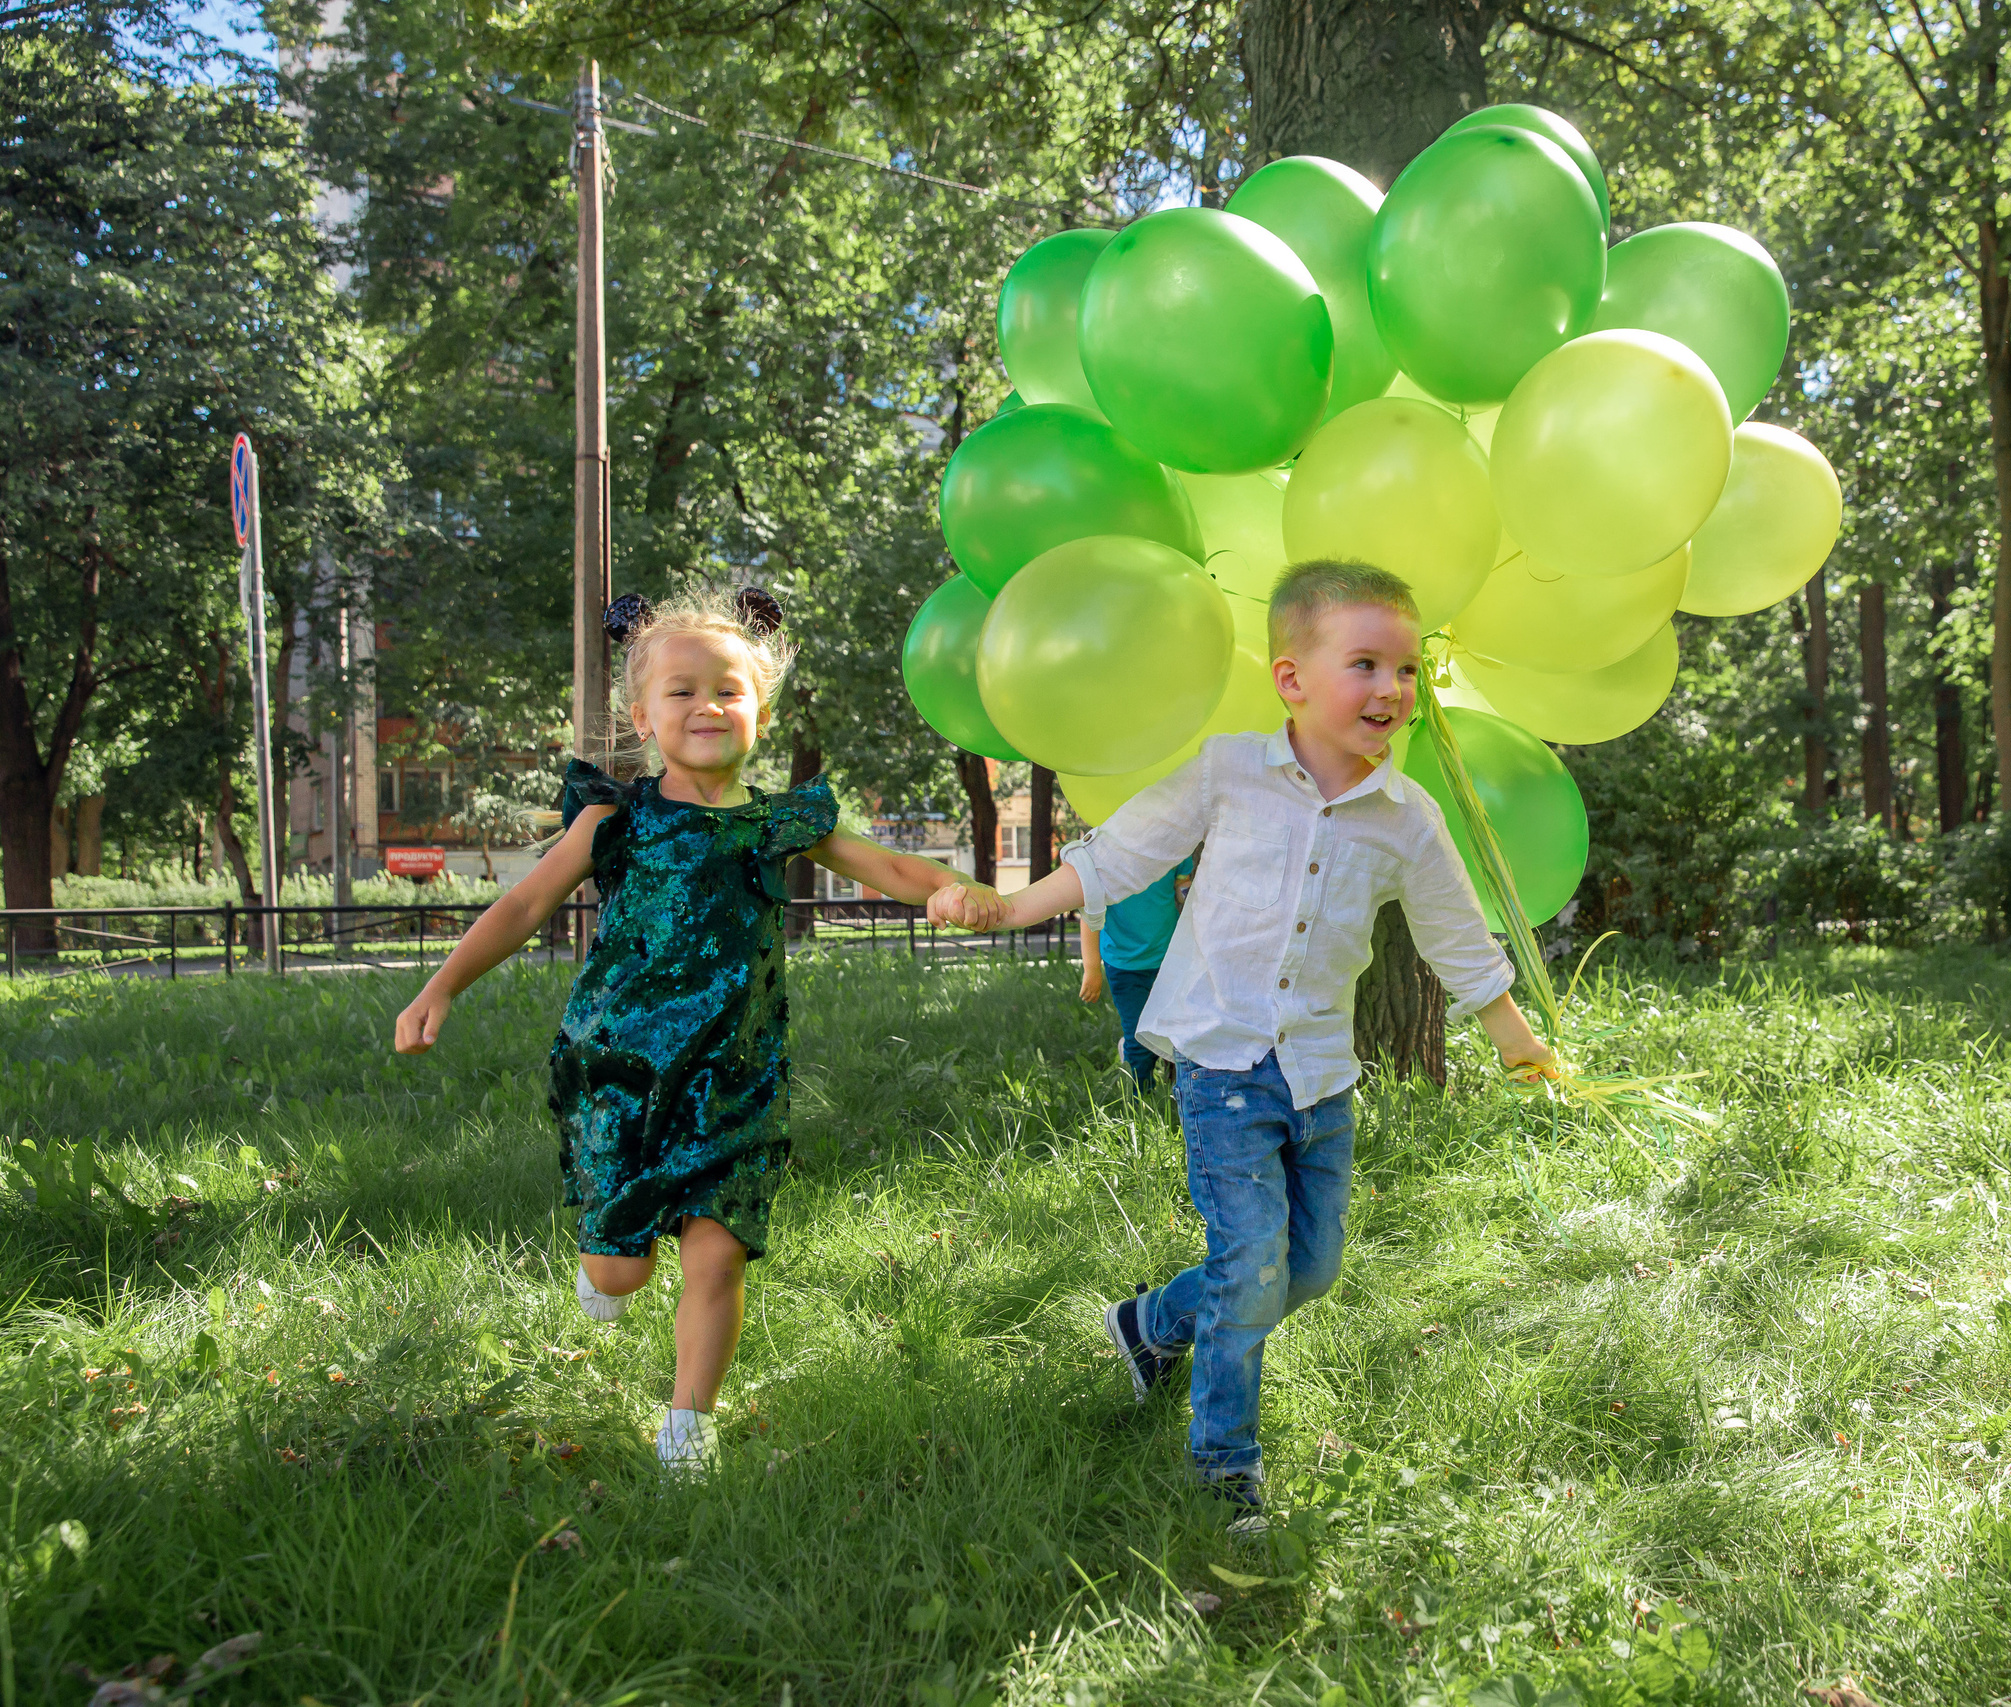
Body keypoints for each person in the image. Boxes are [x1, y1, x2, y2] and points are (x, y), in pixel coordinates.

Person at [392, 583, 1001, 1471]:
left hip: (735, 1073)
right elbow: (527, 899)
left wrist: (964, 887)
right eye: (681, 691)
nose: (707, 705)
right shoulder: (619, 818)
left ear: (761, 708)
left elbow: (891, 864)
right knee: (623, 1271)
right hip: (622, 1071)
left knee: (717, 1258)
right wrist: (441, 986)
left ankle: (687, 1429)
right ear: (643, 715)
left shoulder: (779, 820)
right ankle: (604, 1263)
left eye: (728, 688)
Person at [988, 559, 1556, 1510]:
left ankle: (1150, 1324)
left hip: (1322, 1076)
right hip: (1221, 1065)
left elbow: (1458, 937)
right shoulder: (1229, 773)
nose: (1393, 689)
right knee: (1251, 1263)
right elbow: (1120, 854)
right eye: (1366, 663)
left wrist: (1515, 1037)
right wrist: (1015, 909)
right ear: (1292, 678)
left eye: (1408, 671)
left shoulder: (1407, 818)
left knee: (1310, 1266)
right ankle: (1224, 1464)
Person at [1077, 854, 1195, 1089]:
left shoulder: (1175, 845)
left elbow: (1184, 891)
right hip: (1125, 964)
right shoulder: (1103, 853)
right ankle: (1139, 1100)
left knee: (1178, 1029)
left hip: (1169, 957)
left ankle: (1180, 1092)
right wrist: (1091, 968)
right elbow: (1090, 914)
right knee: (1139, 1038)